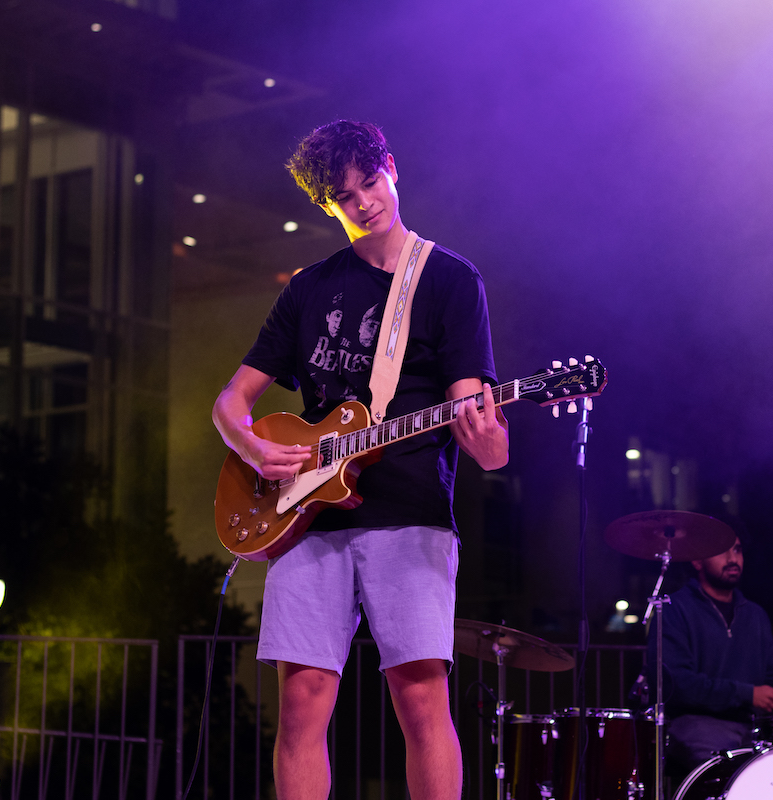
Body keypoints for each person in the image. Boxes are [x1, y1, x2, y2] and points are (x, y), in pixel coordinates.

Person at [212, 120, 509, 800]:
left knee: (421, 700)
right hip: (308, 518)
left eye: (370, 182)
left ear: (392, 170)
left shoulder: (449, 279)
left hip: (410, 514)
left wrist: (487, 437)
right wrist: (252, 445)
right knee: (301, 705)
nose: (364, 201)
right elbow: (231, 400)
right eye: (344, 196)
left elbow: (482, 433)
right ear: (326, 205)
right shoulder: (308, 288)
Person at [647, 535, 773, 777]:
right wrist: (749, 694)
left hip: (752, 727)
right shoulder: (674, 609)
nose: (733, 558)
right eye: (722, 550)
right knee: (730, 773)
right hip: (694, 725)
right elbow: (678, 685)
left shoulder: (756, 615)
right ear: (697, 561)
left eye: (737, 549)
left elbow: (771, 679)